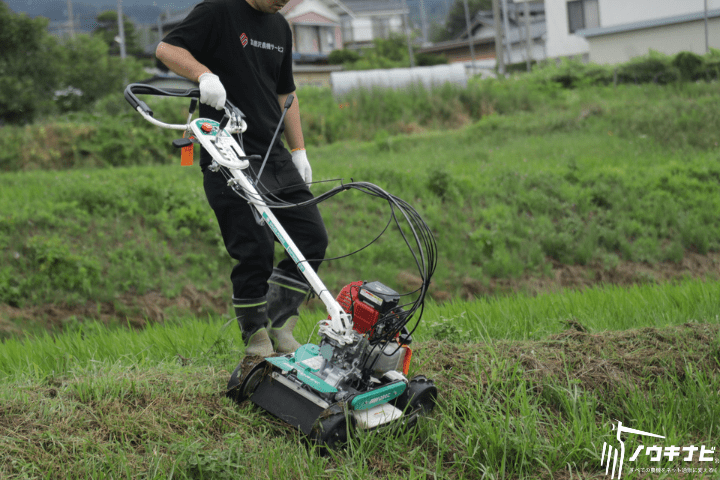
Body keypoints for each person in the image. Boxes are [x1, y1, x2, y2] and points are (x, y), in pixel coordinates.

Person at [155, 0, 328, 359]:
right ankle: (256, 337)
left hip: (274, 154)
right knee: (255, 249)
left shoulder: (280, 26)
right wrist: (204, 75)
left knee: (311, 237)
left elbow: (286, 92)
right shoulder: (218, 10)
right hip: (226, 152)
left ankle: (282, 323)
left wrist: (299, 150)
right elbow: (166, 49)